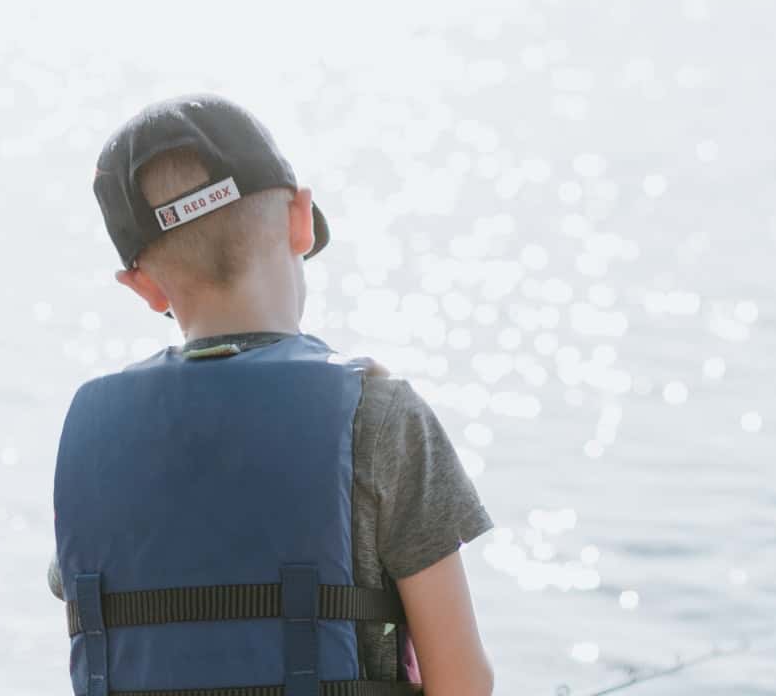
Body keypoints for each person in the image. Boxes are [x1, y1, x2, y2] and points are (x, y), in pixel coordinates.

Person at [49, 94, 495, 696]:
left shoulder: (93, 439)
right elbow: (464, 681)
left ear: (143, 286)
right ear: (300, 221)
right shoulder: (380, 415)